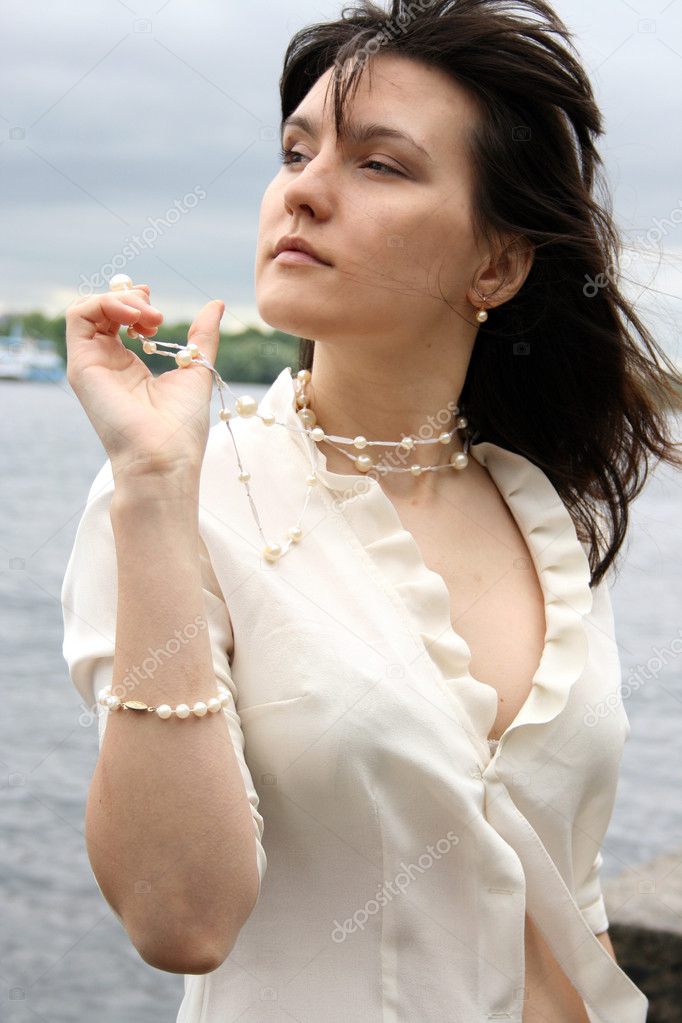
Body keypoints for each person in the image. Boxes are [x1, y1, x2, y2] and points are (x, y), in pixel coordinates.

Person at [61, 1, 680, 1021]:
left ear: (497, 263)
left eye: (377, 164)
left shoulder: (537, 512)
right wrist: (152, 491)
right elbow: (182, 919)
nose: (303, 190)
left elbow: (569, 891)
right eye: (296, 151)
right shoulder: (182, 492)